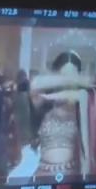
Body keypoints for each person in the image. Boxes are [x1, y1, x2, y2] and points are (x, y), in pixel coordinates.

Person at [31, 51, 90, 179]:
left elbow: (80, 95)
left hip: (73, 176)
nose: (68, 81)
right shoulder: (44, 104)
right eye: (63, 75)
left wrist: (50, 96)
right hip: (42, 175)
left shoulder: (83, 101)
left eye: (72, 75)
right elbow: (34, 89)